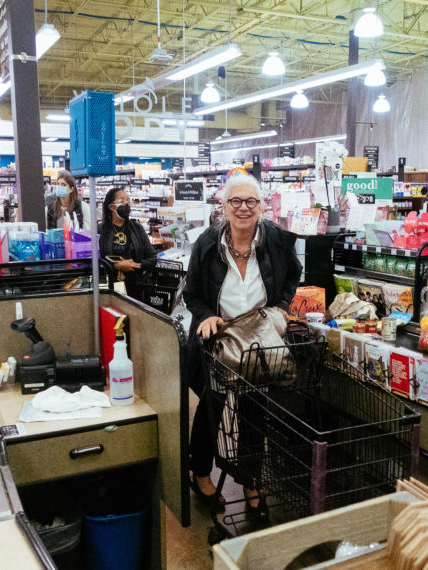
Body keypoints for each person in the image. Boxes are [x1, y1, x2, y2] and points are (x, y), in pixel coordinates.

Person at [183, 172, 302, 519]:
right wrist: (205, 315)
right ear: (224, 207)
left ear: (261, 207)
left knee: (253, 414)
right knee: (212, 408)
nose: (244, 208)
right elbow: (191, 293)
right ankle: (201, 473)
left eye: (251, 201)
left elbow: (293, 276)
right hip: (221, 340)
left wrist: (281, 308)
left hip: (259, 340)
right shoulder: (208, 244)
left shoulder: (277, 241)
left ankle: (251, 482)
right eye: (236, 201)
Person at [98, 187, 157, 301]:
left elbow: (152, 259)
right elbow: (95, 262)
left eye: (128, 201)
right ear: (111, 207)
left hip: (136, 287)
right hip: (110, 288)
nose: (126, 204)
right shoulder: (100, 231)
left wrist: (134, 265)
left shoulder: (137, 228)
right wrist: (115, 266)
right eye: (121, 201)